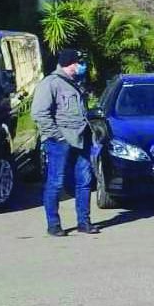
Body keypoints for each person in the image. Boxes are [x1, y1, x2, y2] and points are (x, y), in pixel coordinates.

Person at [33, 48, 99, 236]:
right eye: (79, 63)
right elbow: (39, 113)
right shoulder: (51, 83)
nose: (82, 66)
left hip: (81, 137)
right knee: (56, 182)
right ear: (70, 63)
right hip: (59, 141)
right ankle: (53, 224)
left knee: (84, 181)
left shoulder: (76, 84)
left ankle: (84, 222)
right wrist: (57, 135)